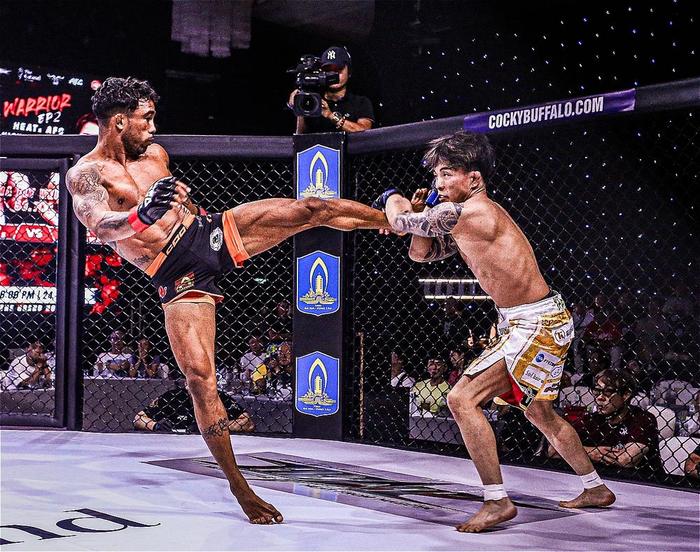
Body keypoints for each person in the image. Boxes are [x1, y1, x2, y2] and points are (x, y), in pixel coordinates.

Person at [65, 76, 389, 524]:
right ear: (119, 122)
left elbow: (180, 204)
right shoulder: (85, 174)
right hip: (176, 273)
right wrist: (142, 214)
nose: (154, 128)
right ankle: (240, 487)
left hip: (209, 234)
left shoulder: (155, 154)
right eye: (147, 119)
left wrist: (178, 205)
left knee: (311, 209)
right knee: (201, 380)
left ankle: (402, 222)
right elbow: (102, 225)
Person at [373, 130, 615, 532]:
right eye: (436, 175)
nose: (438, 183)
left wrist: (391, 197)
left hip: (534, 322)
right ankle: (596, 488)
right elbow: (420, 253)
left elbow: (399, 220)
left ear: (474, 178)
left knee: (461, 399)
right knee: (538, 411)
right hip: (532, 320)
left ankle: (497, 500)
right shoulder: (459, 217)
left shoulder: (475, 213)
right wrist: (420, 213)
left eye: (447, 173)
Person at [549, 370, 662, 477]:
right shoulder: (591, 419)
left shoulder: (643, 419)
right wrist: (591, 452)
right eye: (597, 391)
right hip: (599, 478)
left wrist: (577, 451)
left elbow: (626, 459)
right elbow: (553, 450)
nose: (600, 398)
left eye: (608, 392)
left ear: (625, 395)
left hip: (639, 482)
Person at [288, 46, 374, 134]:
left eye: (339, 69)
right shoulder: (314, 100)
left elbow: (365, 133)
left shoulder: (361, 102)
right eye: (328, 70)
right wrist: (300, 105)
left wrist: (330, 115)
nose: (333, 75)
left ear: (349, 72)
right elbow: (301, 137)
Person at [133, 381, 254, 433]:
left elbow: (248, 423)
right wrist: (156, 426)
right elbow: (138, 418)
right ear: (186, 384)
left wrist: (211, 429)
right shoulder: (172, 397)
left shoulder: (220, 397)